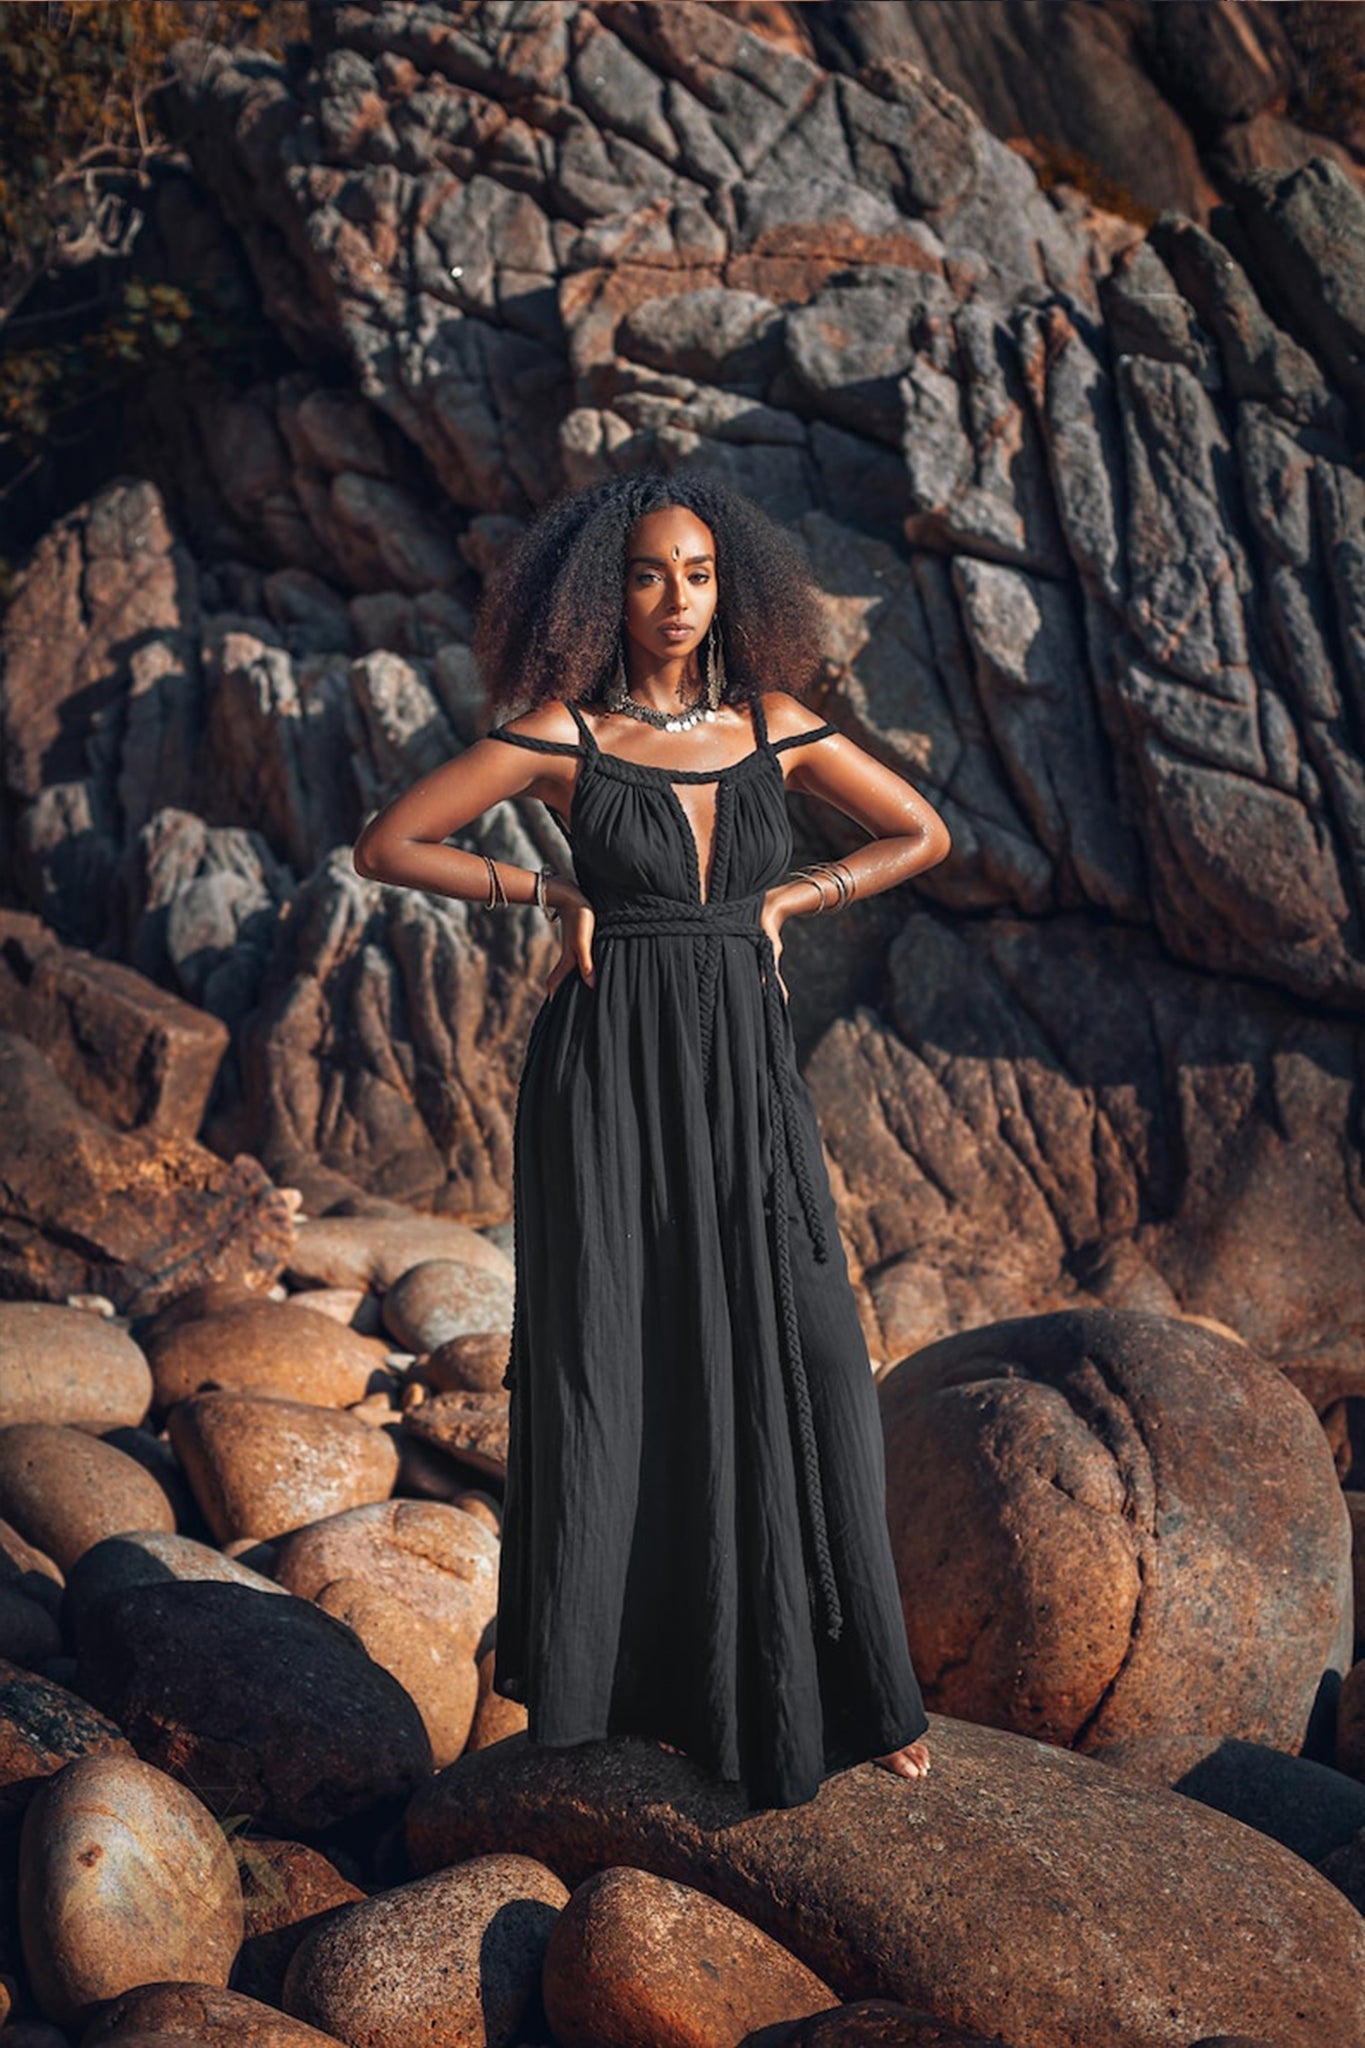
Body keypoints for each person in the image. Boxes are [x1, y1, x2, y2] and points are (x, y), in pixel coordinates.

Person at [353, 469, 952, 1811]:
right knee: (617, 1358)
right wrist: (544, 889)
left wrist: (794, 897)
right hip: (606, 1071)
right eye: (646, 574)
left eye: (696, 573)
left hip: (744, 1069)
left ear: (728, 586)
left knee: (810, 1350)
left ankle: (848, 1691)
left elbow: (922, 830)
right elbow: (388, 844)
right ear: (601, 593)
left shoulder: (775, 724)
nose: (675, 598)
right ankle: (624, 1692)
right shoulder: (563, 735)